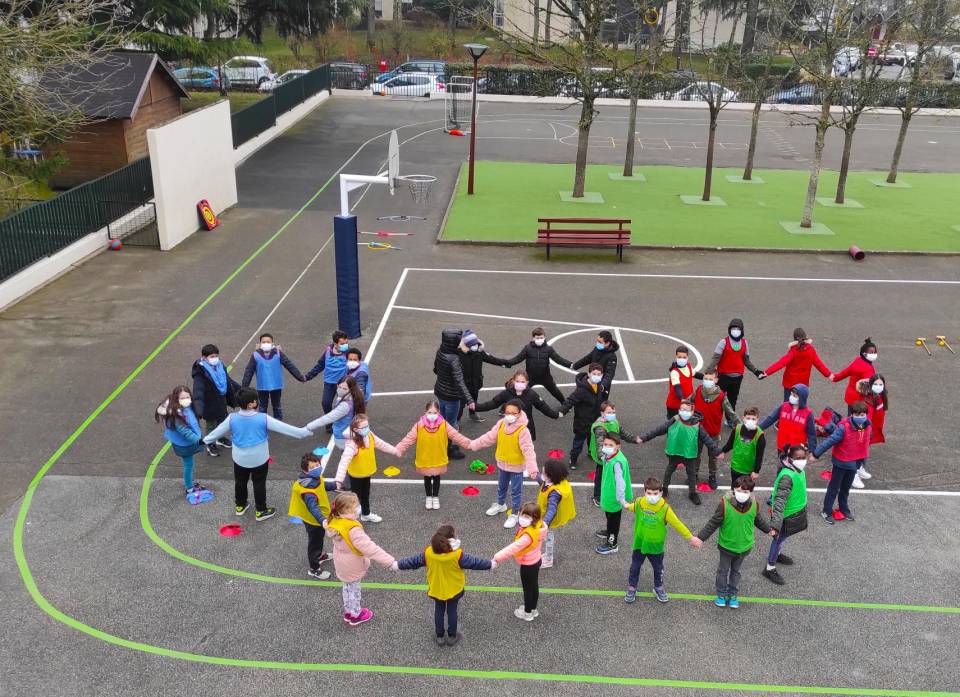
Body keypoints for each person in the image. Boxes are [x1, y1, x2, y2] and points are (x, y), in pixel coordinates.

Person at [203, 387, 312, 521]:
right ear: (251, 404)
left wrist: (205, 441)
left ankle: (240, 506)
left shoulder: (232, 418)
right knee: (259, 483)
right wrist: (304, 432)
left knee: (240, 481)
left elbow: (217, 432)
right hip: (259, 459)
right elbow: (286, 429)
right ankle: (261, 510)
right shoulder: (263, 418)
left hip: (239, 459)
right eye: (256, 399)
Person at [393, 525, 496, 646]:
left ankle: (440, 636)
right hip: (454, 589)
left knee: (439, 611)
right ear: (451, 539)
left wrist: (397, 565)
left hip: (437, 589)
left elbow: (412, 562)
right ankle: (452, 635)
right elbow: (475, 563)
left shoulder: (428, 553)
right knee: (452, 611)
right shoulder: (458, 555)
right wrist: (490, 564)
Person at [692, 476, 774, 608]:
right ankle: (721, 594)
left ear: (751, 493)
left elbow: (758, 519)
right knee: (723, 571)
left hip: (744, 546)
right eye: (740, 490)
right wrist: (701, 537)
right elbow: (714, 522)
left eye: (746, 492)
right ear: (734, 490)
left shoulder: (754, 504)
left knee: (736, 572)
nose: (742, 494)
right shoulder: (724, 504)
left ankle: (733, 594)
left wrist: (768, 530)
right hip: (727, 546)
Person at [622, 477, 699, 604]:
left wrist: (690, 537)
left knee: (658, 569)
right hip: (640, 543)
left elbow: (677, 523)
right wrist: (625, 504)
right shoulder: (640, 502)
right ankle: (632, 587)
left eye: (655, 493)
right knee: (635, 567)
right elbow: (632, 507)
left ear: (661, 493)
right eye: (649, 493)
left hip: (656, 547)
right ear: (644, 492)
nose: (652, 496)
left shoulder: (665, 508)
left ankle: (658, 587)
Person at [324, 492, 396, 626]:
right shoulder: (353, 529)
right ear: (346, 510)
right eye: (356, 506)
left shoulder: (334, 521)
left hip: (341, 563)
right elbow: (371, 548)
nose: (359, 508)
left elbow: (325, 523)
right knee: (355, 590)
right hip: (353, 564)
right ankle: (356, 615)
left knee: (346, 588)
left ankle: (348, 611)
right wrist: (390, 562)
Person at [468, 400, 538, 528]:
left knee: (516, 491)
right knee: (502, 486)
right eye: (507, 412)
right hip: (502, 464)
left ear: (519, 413)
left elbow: (528, 451)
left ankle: (515, 514)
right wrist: (474, 444)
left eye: (513, 413)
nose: (510, 415)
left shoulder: (523, 431)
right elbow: (489, 437)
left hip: (517, 467)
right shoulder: (501, 424)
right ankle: (501, 505)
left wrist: (532, 469)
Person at [639, 400, 722, 505]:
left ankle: (692, 493)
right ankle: (664, 488)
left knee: (691, 474)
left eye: (687, 410)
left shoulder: (697, 425)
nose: (684, 412)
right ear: (679, 410)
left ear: (692, 412)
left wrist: (716, 451)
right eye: (682, 409)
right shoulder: (674, 420)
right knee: (669, 471)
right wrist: (645, 437)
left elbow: (707, 439)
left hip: (689, 454)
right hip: (675, 452)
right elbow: (659, 430)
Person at [394, 400, 472, 510]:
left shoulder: (444, 424)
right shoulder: (418, 426)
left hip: (438, 457)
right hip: (425, 458)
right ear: (425, 412)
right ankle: (428, 497)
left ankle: (435, 497)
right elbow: (408, 439)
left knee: (436, 477)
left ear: (439, 412)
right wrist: (398, 449)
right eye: (430, 412)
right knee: (426, 478)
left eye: (435, 413)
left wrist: (469, 444)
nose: (432, 415)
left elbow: (456, 436)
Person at [333, 415, 399, 523]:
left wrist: (395, 450)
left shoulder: (369, 435)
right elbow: (343, 462)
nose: (366, 429)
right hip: (356, 475)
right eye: (363, 427)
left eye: (367, 426)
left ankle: (366, 514)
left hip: (366, 472)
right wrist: (339, 479)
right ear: (355, 430)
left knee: (365, 494)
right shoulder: (352, 444)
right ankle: (353, 519)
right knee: (355, 499)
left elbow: (381, 444)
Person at [812, 401, 872, 520]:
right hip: (841, 462)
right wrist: (816, 453)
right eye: (857, 414)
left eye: (862, 414)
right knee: (834, 488)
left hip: (854, 462)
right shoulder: (844, 427)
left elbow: (866, 442)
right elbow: (830, 441)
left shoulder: (868, 425)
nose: (860, 417)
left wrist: (861, 462)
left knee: (846, 488)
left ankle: (843, 508)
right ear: (852, 414)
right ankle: (826, 511)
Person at [762, 445, 810, 586]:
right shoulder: (787, 476)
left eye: (803, 457)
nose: (802, 460)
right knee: (778, 539)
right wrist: (775, 525)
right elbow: (779, 501)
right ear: (790, 459)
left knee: (783, 539)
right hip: (785, 516)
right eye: (798, 458)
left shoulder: (797, 469)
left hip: (793, 513)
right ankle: (769, 568)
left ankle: (776, 555)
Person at [493, 502, 548, 622]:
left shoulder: (527, 536)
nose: (522, 518)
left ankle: (527, 613)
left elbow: (513, 548)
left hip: (528, 564)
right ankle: (533, 608)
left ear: (534, 518)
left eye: (527, 516)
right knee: (534, 586)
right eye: (522, 514)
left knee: (527, 589)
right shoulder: (538, 526)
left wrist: (497, 557)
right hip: (536, 560)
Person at [474, 370, 559, 441]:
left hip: (526, 428)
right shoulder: (507, 393)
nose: (520, 383)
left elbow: (544, 408)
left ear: (527, 383)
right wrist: (476, 407)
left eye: (523, 382)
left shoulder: (532, 394)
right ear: (513, 381)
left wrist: (557, 414)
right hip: (509, 426)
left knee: (525, 451)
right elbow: (492, 404)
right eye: (517, 381)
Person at [287, 452, 335, 580]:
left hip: (318, 519)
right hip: (313, 520)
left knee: (319, 539)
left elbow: (323, 486)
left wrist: (336, 485)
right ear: (305, 470)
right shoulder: (307, 490)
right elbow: (313, 508)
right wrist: (322, 520)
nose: (317, 468)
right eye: (312, 467)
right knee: (314, 542)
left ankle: (320, 555)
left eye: (317, 465)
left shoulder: (314, 478)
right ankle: (314, 568)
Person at [240, 333, 306, 420]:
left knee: (277, 405)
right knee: (263, 407)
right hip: (262, 387)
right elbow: (249, 371)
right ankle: (263, 423)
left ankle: (278, 422)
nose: (266, 343)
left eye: (268, 342)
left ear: (272, 343)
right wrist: (244, 387)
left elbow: (289, 365)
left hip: (276, 386)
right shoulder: (255, 355)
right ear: (260, 344)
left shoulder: (278, 354)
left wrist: (300, 377)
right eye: (263, 342)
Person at [432, 329, 476, 458]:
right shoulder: (454, 359)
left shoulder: (440, 351)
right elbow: (459, 381)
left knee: (443, 420)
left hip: (440, 391)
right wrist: (469, 399)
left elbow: (435, 369)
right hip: (452, 396)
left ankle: (442, 444)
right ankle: (448, 449)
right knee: (450, 424)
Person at [708, 318, 764, 418]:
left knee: (732, 400)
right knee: (718, 398)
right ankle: (715, 418)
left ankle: (729, 419)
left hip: (737, 378)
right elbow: (715, 360)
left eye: (738, 328)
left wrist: (756, 371)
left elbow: (746, 361)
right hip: (723, 377)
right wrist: (708, 373)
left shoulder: (744, 343)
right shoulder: (723, 342)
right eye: (733, 328)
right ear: (729, 329)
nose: (735, 330)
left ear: (742, 330)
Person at [693, 369, 738, 490]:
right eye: (705, 379)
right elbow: (689, 401)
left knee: (713, 457)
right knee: (695, 454)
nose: (707, 381)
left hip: (713, 433)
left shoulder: (722, 396)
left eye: (710, 379)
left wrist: (740, 425)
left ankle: (712, 476)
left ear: (716, 380)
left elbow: (731, 413)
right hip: (697, 431)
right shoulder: (698, 390)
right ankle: (694, 474)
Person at [191, 343, 239, 457]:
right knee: (211, 424)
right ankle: (210, 443)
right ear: (204, 357)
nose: (215, 358)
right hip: (209, 403)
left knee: (222, 421)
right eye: (211, 356)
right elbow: (198, 391)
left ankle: (220, 438)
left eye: (216, 355)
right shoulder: (200, 372)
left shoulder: (220, 366)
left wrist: (241, 390)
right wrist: (198, 408)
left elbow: (228, 381)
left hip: (221, 400)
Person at [559, 363, 610, 470]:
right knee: (578, 443)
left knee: (592, 439)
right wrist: (562, 411)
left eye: (599, 374)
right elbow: (570, 400)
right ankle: (573, 459)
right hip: (582, 422)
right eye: (594, 374)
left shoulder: (599, 386)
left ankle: (591, 452)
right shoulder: (581, 390)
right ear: (589, 374)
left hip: (595, 420)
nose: (596, 376)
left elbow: (601, 400)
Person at [589, 402, 641, 507]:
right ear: (602, 413)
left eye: (613, 412)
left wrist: (634, 439)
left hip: (612, 453)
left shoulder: (614, 422)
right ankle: (597, 497)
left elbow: (622, 433)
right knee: (600, 475)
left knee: (611, 475)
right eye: (609, 412)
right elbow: (600, 446)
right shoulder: (600, 427)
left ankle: (610, 492)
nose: (612, 414)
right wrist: (604, 458)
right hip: (604, 457)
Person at [503, 327, 573, 404]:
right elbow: (517, 359)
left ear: (544, 337)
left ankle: (564, 403)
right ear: (533, 338)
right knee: (519, 391)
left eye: (541, 337)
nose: (539, 339)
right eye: (537, 338)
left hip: (545, 377)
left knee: (555, 391)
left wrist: (570, 365)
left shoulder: (548, 349)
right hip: (530, 377)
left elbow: (559, 359)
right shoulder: (527, 348)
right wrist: (507, 363)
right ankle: (508, 406)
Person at [155, 386, 204, 494]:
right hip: (184, 444)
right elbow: (185, 431)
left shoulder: (186, 407)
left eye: (188, 397)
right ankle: (189, 487)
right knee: (188, 464)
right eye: (183, 398)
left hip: (186, 442)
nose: (186, 399)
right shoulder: (176, 414)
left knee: (189, 464)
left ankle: (190, 482)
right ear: (176, 399)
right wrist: (199, 440)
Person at [763, 328, 833, 401]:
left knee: (787, 405)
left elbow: (780, 363)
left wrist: (766, 373)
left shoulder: (793, 351)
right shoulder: (811, 350)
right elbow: (820, 365)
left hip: (790, 384)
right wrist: (829, 375)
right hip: (803, 385)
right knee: (801, 406)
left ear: (794, 339)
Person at [304, 376, 366, 455]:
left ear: (351, 390)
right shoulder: (355, 397)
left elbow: (327, 418)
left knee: (348, 458)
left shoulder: (345, 406)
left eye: (344, 389)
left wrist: (309, 427)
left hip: (343, 437)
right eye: (339, 387)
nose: (340, 390)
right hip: (351, 434)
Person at [305, 330, 352, 432]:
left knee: (345, 405)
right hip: (329, 383)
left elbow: (354, 365)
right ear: (335, 343)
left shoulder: (348, 352)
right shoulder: (327, 351)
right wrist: (308, 377)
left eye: (346, 343)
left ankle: (347, 423)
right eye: (342, 344)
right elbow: (320, 365)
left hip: (343, 384)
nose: (345, 345)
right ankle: (329, 423)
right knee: (326, 403)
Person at [457, 329, 508, 423]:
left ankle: (472, 414)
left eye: (475, 343)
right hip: (463, 384)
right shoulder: (459, 353)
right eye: (472, 345)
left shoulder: (479, 352)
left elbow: (492, 359)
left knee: (473, 400)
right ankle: (456, 421)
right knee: (460, 404)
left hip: (476, 382)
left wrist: (505, 363)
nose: (474, 346)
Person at [595, 432, 633, 555]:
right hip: (609, 494)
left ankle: (612, 543)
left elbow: (621, 483)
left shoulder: (617, 462)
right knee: (609, 517)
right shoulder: (610, 455)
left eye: (610, 445)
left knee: (613, 521)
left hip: (614, 497)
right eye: (605, 444)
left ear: (618, 447)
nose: (606, 446)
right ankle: (609, 531)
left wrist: (621, 500)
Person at [536, 458, 577, 568]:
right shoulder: (555, 481)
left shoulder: (555, 493)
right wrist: (535, 475)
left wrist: (545, 523)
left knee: (548, 537)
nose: (542, 474)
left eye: (543, 473)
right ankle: (548, 555)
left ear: (550, 475)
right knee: (548, 537)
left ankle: (548, 559)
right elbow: (543, 483)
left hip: (550, 520)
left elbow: (552, 509)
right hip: (548, 518)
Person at [758, 384, 817, 457]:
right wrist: (758, 428)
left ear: (801, 398)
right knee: (781, 466)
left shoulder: (808, 414)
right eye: (791, 394)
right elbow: (770, 418)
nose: (792, 397)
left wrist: (812, 451)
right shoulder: (784, 406)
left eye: (795, 396)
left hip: (797, 451)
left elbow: (811, 434)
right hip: (782, 446)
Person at [720, 408, 766, 489]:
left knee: (746, 491)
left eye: (753, 419)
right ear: (743, 418)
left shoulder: (760, 436)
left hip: (748, 471)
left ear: (757, 419)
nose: (750, 420)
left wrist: (756, 471)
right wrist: (723, 451)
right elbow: (730, 443)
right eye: (748, 418)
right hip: (735, 467)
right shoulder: (737, 429)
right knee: (734, 488)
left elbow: (759, 456)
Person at [831, 338, 878, 412]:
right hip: (860, 401)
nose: (874, 354)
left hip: (850, 397)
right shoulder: (868, 369)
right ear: (864, 353)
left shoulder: (858, 360)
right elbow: (869, 387)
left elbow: (846, 372)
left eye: (875, 352)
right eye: (871, 352)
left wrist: (834, 378)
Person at [665, 345, 701, 419]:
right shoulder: (674, 372)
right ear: (676, 357)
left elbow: (694, 373)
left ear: (687, 357)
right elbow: (677, 387)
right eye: (679, 357)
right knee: (673, 424)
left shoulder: (688, 366)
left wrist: (705, 377)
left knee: (685, 423)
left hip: (686, 402)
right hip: (675, 405)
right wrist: (682, 399)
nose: (682, 359)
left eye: (684, 357)